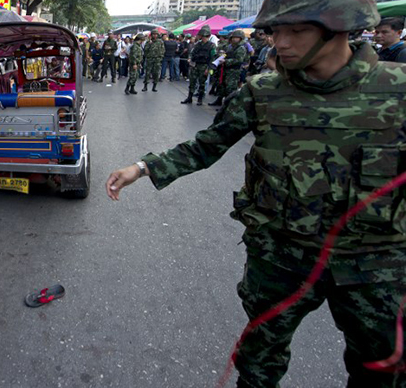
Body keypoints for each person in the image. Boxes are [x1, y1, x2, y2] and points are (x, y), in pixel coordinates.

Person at [106, 0, 406, 386]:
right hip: (281, 258)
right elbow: (206, 145)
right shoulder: (262, 92)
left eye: (296, 31)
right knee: (259, 362)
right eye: (275, 31)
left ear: (340, 29)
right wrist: (143, 168)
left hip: (375, 266)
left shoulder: (397, 91)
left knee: (381, 369)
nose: (280, 42)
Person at [209, 29, 246, 107]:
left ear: (240, 39)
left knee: (230, 88)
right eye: (233, 37)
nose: (234, 39)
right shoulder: (230, 47)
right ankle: (219, 101)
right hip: (226, 69)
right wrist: (220, 57)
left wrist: (226, 61)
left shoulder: (241, 48)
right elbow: (226, 55)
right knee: (222, 86)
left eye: (236, 37)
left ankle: (228, 106)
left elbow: (239, 60)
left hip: (233, 71)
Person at [181, 25, 215, 105]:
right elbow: (192, 53)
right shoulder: (198, 44)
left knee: (202, 83)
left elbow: (213, 58)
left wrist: (209, 68)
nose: (203, 38)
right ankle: (189, 97)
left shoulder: (211, 45)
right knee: (192, 81)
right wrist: (190, 59)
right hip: (195, 65)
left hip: (204, 66)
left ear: (208, 36)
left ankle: (200, 99)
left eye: (205, 36)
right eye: (202, 36)